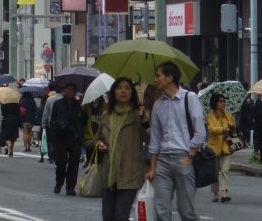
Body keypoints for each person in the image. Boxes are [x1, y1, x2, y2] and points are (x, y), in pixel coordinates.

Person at [146, 61, 206, 221]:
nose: (155, 79)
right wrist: (153, 168)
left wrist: (190, 156)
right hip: (163, 162)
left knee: (186, 211)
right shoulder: (158, 105)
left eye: (158, 75)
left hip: (183, 158)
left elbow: (200, 132)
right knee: (161, 211)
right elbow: (155, 139)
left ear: (169, 78)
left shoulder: (190, 98)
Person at [95, 77, 149, 221]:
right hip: (109, 173)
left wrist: (144, 120)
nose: (123, 91)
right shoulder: (106, 115)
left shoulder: (138, 115)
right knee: (107, 217)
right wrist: (100, 144)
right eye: (119, 88)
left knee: (121, 216)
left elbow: (150, 139)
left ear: (132, 93)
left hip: (129, 173)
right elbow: (98, 137)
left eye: (127, 88)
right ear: (114, 92)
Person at [49, 82, 85, 195]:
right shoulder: (58, 104)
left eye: (72, 90)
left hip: (74, 137)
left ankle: (70, 187)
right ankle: (59, 183)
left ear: (75, 92)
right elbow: (52, 122)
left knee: (74, 164)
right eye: (67, 90)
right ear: (64, 91)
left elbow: (83, 121)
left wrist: (82, 109)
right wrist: (59, 123)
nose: (70, 92)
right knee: (61, 162)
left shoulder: (79, 105)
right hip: (61, 137)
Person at [205, 92, 236, 203]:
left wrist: (232, 127)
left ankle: (224, 193)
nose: (223, 103)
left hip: (227, 146)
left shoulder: (228, 115)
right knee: (214, 172)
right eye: (220, 101)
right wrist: (223, 129)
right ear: (215, 103)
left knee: (225, 170)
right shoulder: (210, 116)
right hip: (214, 148)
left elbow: (233, 127)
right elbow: (211, 129)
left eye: (224, 101)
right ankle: (216, 193)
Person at [41, 87, 62, 163]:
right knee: (60, 140)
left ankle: (51, 155)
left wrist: (44, 123)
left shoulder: (49, 99)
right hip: (62, 124)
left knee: (51, 141)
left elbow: (46, 112)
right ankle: (58, 154)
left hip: (51, 123)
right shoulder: (64, 99)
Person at [0, 93, 21, 157]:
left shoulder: (4, 104)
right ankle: (11, 151)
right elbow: (19, 114)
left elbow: (2, 113)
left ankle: (9, 145)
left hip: (6, 120)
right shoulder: (17, 105)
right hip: (15, 121)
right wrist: (20, 124)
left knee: (6, 136)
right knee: (13, 136)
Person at [252, 94, 262, 162]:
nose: (260, 96)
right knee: (259, 141)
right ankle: (258, 158)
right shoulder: (258, 102)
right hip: (258, 126)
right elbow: (255, 113)